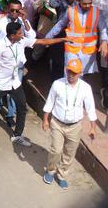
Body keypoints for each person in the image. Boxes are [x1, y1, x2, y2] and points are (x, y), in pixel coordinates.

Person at [42, 58, 98, 188]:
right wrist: (45, 120)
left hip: (75, 126)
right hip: (57, 123)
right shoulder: (57, 84)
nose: (71, 75)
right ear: (66, 71)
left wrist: (93, 128)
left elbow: (90, 108)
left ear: (80, 73)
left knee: (69, 153)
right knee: (56, 150)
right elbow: (49, 102)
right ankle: (50, 171)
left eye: (74, 73)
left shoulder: (85, 88)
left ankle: (61, 175)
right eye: (69, 72)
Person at [0, 20, 36, 147]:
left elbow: (41, 42)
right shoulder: (0, 45)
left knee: (22, 107)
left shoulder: (21, 41)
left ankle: (17, 135)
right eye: (20, 33)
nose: (22, 35)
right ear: (12, 36)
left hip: (15, 82)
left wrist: (62, 39)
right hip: (0, 83)